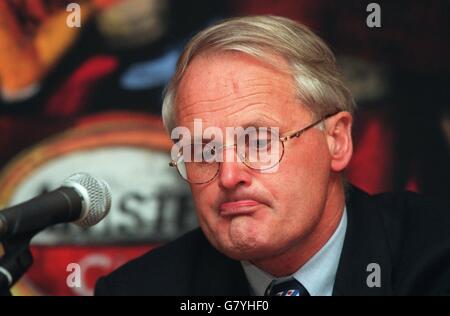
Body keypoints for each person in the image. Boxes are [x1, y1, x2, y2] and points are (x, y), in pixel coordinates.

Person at [94, 15, 450, 296]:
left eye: (258, 141)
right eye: (203, 150)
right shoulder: (139, 289)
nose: (229, 176)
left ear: (337, 140)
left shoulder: (433, 260)